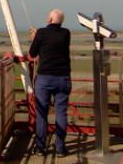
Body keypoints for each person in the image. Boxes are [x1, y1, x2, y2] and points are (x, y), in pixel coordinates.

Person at [28, 8, 71, 157]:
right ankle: (60, 148)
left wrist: (36, 38)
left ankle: (40, 147)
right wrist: (39, 36)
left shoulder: (41, 33)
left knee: (41, 113)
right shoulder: (66, 33)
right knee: (61, 113)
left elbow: (33, 53)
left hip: (45, 78)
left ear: (50, 19)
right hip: (62, 78)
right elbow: (54, 43)